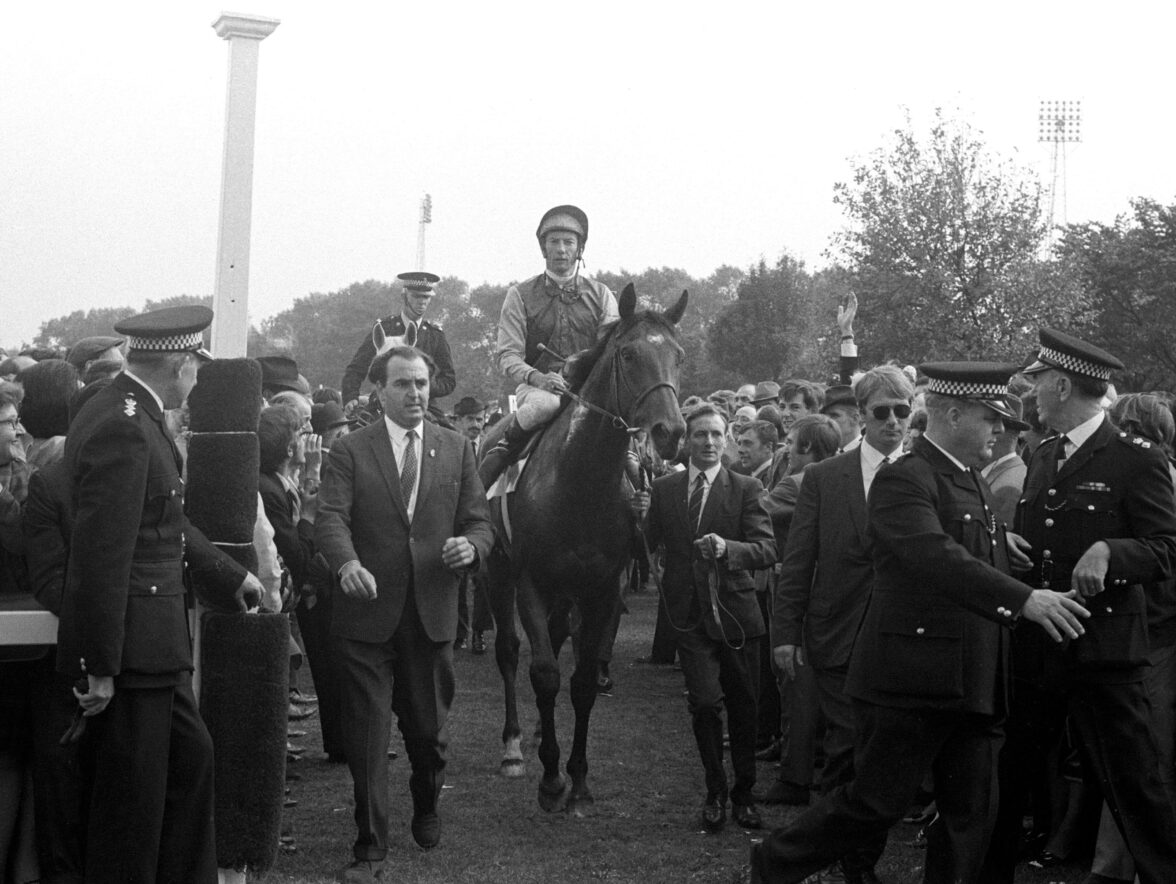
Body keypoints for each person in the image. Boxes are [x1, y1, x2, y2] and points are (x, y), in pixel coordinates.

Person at [751, 362, 1090, 884]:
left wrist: (1001, 551)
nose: (1000, 431)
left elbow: (960, 549)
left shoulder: (966, 476)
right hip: (911, 682)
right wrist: (1024, 598)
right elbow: (932, 555)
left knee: (969, 814)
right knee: (873, 803)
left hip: (971, 679)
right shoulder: (904, 477)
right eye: (989, 419)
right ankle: (776, 863)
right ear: (952, 414)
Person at [55, 305, 263, 884]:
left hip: (153, 647)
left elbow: (160, 520)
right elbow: (103, 553)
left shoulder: (122, 409)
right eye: (195, 367)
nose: (197, 381)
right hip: (134, 652)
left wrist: (227, 574)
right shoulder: (128, 423)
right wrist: (98, 664)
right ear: (179, 366)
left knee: (190, 768)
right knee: (134, 812)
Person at [983, 329, 1176, 884]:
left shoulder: (1134, 459)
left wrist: (1110, 550)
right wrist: (1008, 546)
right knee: (1012, 771)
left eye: (1040, 382)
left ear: (1063, 384)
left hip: (1103, 649)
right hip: (1039, 644)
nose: (1034, 394)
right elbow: (1039, 536)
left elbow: (1166, 547)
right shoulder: (1043, 454)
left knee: (1133, 783)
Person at [315, 346, 493, 883]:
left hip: (431, 615)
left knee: (428, 735)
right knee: (368, 738)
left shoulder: (457, 449)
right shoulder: (349, 450)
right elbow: (329, 520)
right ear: (380, 390)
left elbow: (480, 521)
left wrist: (473, 548)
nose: (415, 394)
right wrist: (345, 563)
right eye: (403, 384)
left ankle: (427, 800)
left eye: (421, 383)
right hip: (366, 615)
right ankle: (370, 848)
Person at [766, 365, 915, 881]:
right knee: (846, 752)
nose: (894, 423)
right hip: (837, 638)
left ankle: (836, 856)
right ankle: (846, 863)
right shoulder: (824, 479)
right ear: (861, 416)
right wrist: (785, 635)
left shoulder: (927, 475)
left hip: (903, 642)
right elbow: (798, 560)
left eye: (903, 412)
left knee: (876, 760)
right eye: (882, 413)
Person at [644, 404, 776, 834]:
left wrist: (728, 549)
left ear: (728, 440)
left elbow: (766, 549)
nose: (709, 443)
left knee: (744, 706)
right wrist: (630, 513)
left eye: (717, 435)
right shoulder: (665, 489)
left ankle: (744, 795)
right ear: (688, 441)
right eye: (700, 434)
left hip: (738, 615)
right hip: (689, 617)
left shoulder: (747, 487)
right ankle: (716, 790)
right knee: (703, 703)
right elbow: (645, 543)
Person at [479, 205, 618, 488]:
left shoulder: (602, 295)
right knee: (545, 406)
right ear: (543, 248)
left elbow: (611, 352)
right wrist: (538, 378)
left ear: (580, 248)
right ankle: (487, 475)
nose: (561, 249)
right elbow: (507, 354)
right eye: (554, 242)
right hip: (539, 391)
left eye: (569, 242)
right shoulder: (518, 295)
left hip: (590, 393)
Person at [341, 272, 456, 419]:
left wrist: (423, 386)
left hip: (422, 403)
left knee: (451, 437)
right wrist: (351, 397)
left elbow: (449, 379)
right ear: (405, 296)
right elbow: (356, 368)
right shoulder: (384, 328)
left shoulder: (435, 335)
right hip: (382, 402)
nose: (422, 302)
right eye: (416, 296)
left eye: (426, 297)